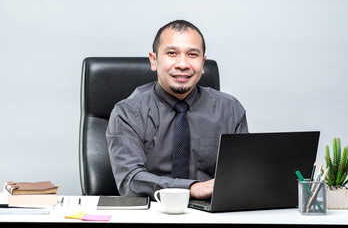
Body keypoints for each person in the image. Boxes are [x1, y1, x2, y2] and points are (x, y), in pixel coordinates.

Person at [106, 20, 248, 200]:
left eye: (192, 54)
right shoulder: (127, 112)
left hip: (211, 215)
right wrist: (190, 188)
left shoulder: (230, 110)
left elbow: (241, 176)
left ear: (203, 63)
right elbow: (130, 180)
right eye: (172, 53)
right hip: (153, 213)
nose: (182, 64)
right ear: (154, 60)